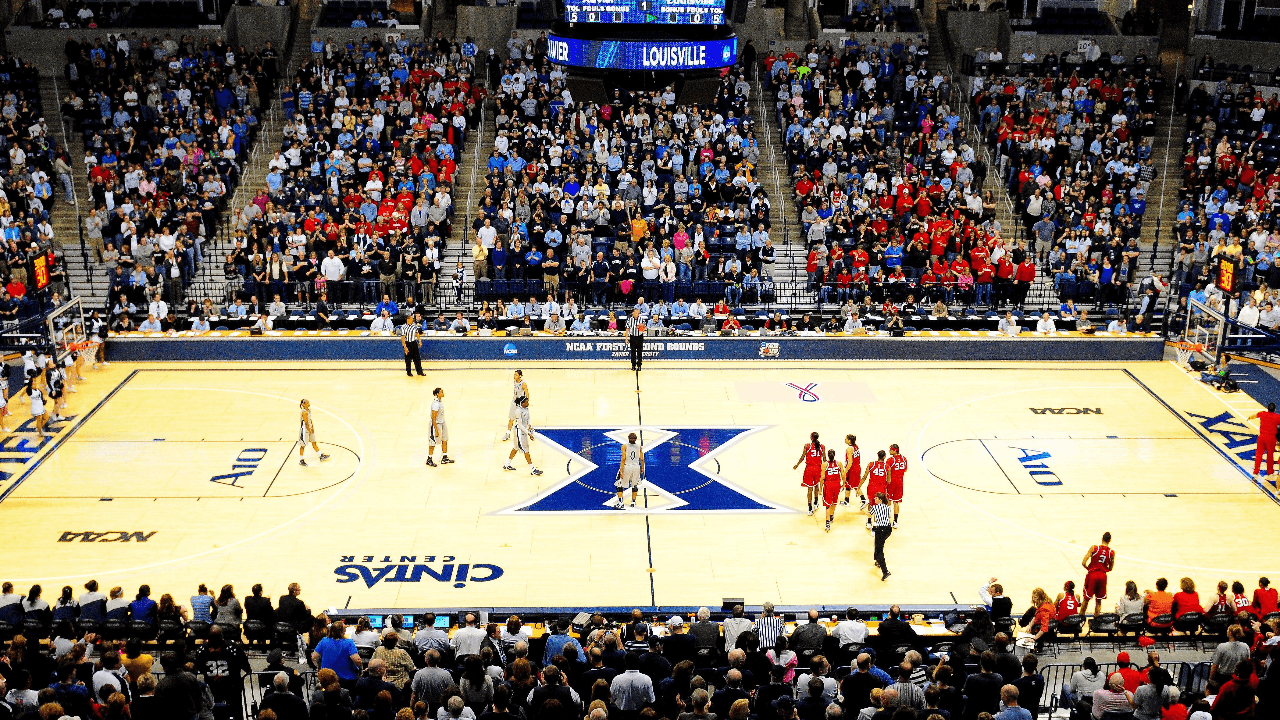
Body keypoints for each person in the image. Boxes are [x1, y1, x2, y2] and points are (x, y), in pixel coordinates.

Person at [503, 396, 542, 476]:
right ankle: (533, 469)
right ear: (522, 403)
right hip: (519, 432)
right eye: (527, 402)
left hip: (523, 430)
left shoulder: (526, 409)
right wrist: (529, 433)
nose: (528, 403)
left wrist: (529, 425)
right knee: (526, 449)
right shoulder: (518, 411)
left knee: (516, 448)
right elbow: (520, 425)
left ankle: (507, 464)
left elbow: (528, 419)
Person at [1081, 532, 1115, 617]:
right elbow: (1111, 568)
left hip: (1093, 575)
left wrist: (1089, 568)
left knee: (1086, 598)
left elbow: (1083, 562)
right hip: (1102, 576)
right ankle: (1096, 618)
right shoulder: (1111, 552)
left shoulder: (1094, 548)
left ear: (1102, 538)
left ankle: (1080, 617)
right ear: (1110, 540)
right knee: (1099, 600)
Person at [793, 431, 825, 516]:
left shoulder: (807, 446)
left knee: (809, 489)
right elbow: (825, 459)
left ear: (811, 438)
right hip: (818, 469)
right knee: (816, 486)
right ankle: (816, 502)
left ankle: (810, 508)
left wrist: (797, 465)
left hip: (809, 469)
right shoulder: (822, 447)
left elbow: (803, 457)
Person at [1249, 402, 1280, 483]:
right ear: (1274, 409)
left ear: (1267, 408)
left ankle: (1255, 472)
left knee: (1258, 455)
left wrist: (1249, 417)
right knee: (1270, 456)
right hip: (1271, 439)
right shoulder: (1277, 417)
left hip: (1262, 437)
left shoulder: (1262, 414)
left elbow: (1254, 416)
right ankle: (1270, 472)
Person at [614, 431, 645, 509]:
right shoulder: (639, 447)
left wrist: (621, 470)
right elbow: (642, 458)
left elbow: (623, 458)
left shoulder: (624, 446)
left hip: (627, 467)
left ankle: (620, 503)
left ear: (628, 438)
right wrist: (642, 467)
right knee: (634, 484)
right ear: (635, 439)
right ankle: (633, 502)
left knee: (619, 484)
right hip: (636, 467)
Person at [867, 492, 892, 581]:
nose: (875, 499)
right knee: (878, 544)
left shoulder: (875, 507)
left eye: (876, 498)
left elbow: (870, 514)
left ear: (880, 500)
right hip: (888, 529)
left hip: (880, 529)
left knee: (879, 550)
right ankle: (877, 561)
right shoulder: (888, 507)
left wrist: (868, 508)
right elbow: (888, 517)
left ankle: (885, 571)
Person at [426, 387, 453, 467]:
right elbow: (433, 418)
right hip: (436, 424)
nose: (443, 393)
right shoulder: (436, 404)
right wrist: (436, 430)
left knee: (445, 439)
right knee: (433, 442)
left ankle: (444, 457)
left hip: (442, 422)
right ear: (437, 394)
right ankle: (429, 459)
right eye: (441, 392)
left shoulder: (440, 402)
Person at [861, 450, 889, 529]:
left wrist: (859, 486)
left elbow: (864, 477)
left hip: (872, 487)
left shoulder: (871, 464)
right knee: (879, 507)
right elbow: (889, 480)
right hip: (881, 489)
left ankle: (869, 522)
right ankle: (876, 525)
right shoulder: (887, 467)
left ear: (878, 456)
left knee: (871, 504)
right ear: (884, 457)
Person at [298, 399, 330, 466]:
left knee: (314, 442)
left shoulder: (309, 410)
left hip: (309, 428)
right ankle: (301, 460)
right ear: (304, 404)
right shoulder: (304, 412)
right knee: (303, 445)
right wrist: (309, 430)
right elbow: (306, 422)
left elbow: (310, 420)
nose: (309, 403)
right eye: (307, 403)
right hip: (304, 430)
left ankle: (320, 455)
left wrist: (312, 427)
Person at [502, 370, 530, 441]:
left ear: (520, 376)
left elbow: (527, 393)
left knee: (523, 420)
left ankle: (529, 431)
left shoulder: (523, 383)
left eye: (516, 375)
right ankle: (508, 433)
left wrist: (526, 402)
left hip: (521, 403)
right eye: (514, 375)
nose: (514, 376)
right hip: (514, 402)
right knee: (511, 419)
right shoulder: (515, 382)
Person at [821, 449, 842, 532]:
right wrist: (843, 484)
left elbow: (822, 478)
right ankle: (832, 515)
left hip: (828, 485)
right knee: (834, 502)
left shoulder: (824, 464)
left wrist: (820, 489)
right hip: (837, 485)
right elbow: (843, 474)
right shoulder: (839, 463)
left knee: (827, 504)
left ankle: (827, 523)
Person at [886, 443, 907, 527]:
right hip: (900, 482)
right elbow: (905, 469)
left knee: (888, 500)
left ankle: (887, 518)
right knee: (896, 501)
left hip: (891, 482)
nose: (889, 451)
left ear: (894, 451)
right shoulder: (904, 459)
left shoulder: (890, 460)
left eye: (890, 450)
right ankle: (895, 521)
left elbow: (887, 471)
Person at [398, 312, 424, 377]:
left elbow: (417, 333)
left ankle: (419, 371)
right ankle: (408, 372)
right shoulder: (403, 327)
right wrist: (405, 347)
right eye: (411, 318)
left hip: (414, 342)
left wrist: (420, 341)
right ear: (408, 319)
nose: (413, 319)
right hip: (408, 343)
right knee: (408, 359)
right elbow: (403, 338)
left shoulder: (414, 325)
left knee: (417, 358)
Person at [841, 435, 862, 507]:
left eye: (846, 439)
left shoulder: (849, 449)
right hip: (857, 467)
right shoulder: (855, 446)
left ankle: (864, 500)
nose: (845, 440)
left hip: (852, 469)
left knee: (850, 484)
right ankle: (846, 501)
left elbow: (850, 462)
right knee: (852, 485)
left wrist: (845, 471)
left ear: (849, 440)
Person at [626, 307, 645, 371]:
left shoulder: (642, 319)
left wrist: (641, 327)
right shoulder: (629, 320)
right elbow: (627, 329)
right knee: (633, 352)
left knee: (640, 351)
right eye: (636, 313)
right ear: (633, 313)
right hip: (632, 337)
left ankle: (639, 365)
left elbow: (645, 328)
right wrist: (626, 338)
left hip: (639, 337)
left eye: (638, 313)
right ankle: (633, 365)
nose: (637, 314)